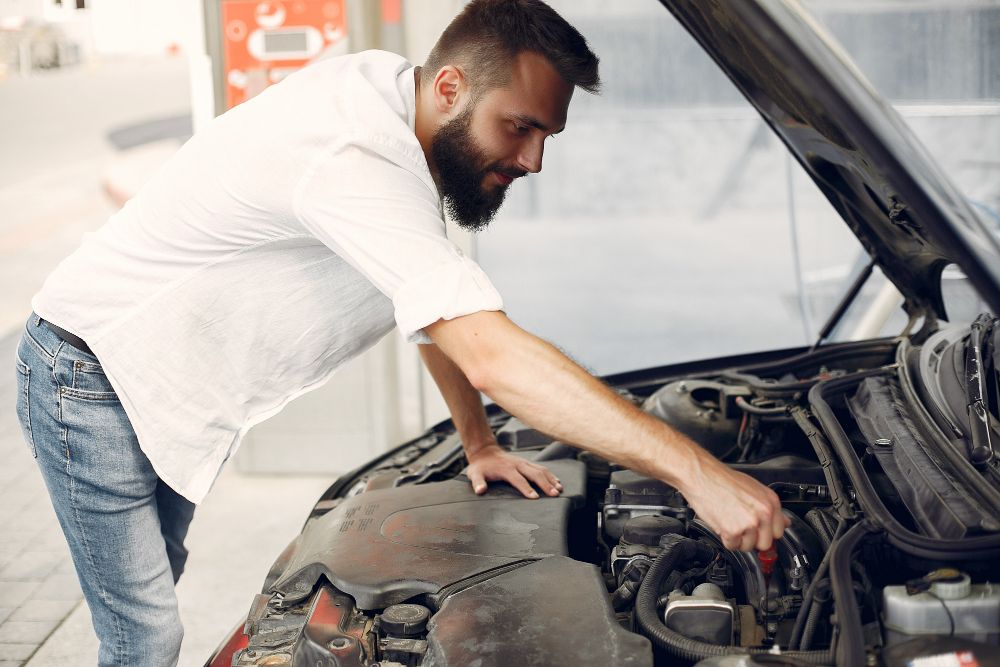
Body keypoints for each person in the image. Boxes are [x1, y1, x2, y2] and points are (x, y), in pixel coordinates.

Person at [13, 1, 788, 665]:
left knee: (155, 587)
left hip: (158, 388)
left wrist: (480, 442)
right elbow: (484, 349)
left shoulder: (398, 106)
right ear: (451, 86)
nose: (534, 159)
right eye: (519, 127)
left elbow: (429, 316)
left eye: (548, 134)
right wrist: (696, 473)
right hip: (93, 372)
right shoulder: (357, 152)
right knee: (145, 633)